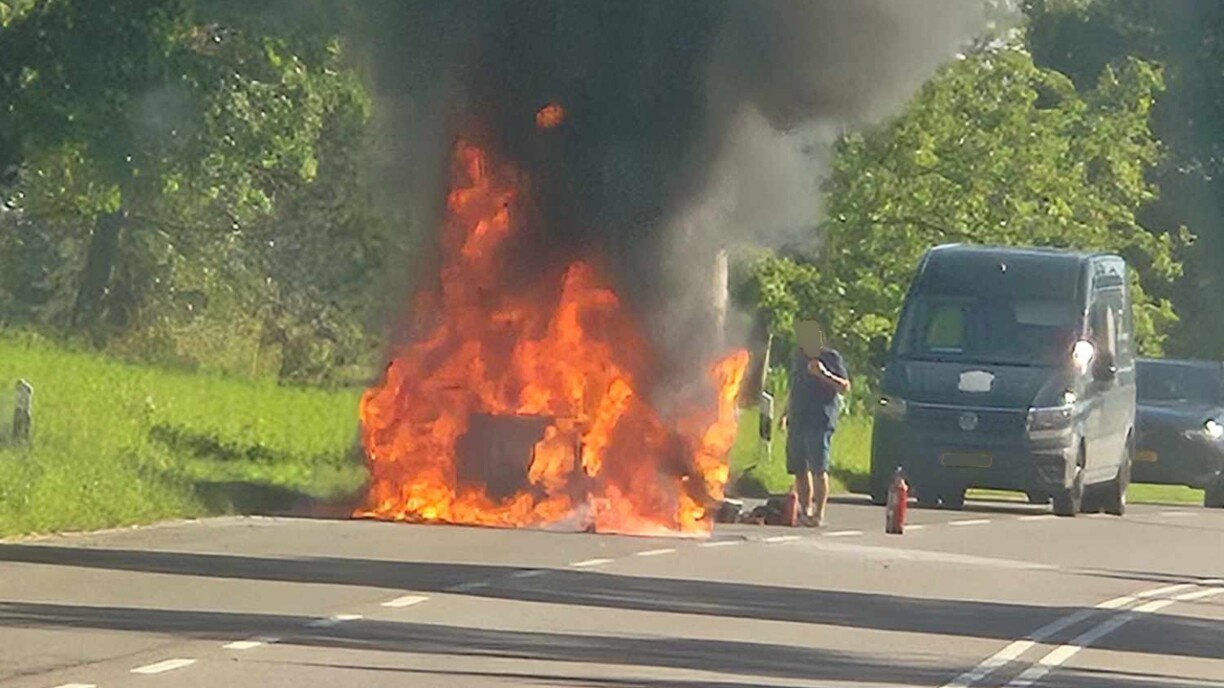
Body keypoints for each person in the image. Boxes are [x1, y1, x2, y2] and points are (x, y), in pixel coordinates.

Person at [781, 320, 851, 527]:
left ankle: (819, 514)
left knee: (818, 468)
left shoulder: (831, 357)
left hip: (819, 419)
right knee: (799, 468)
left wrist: (824, 374)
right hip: (798, 418)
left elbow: (844, 387)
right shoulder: (799, 357)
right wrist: (785, 413)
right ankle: (805, 511)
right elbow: (795, 388)